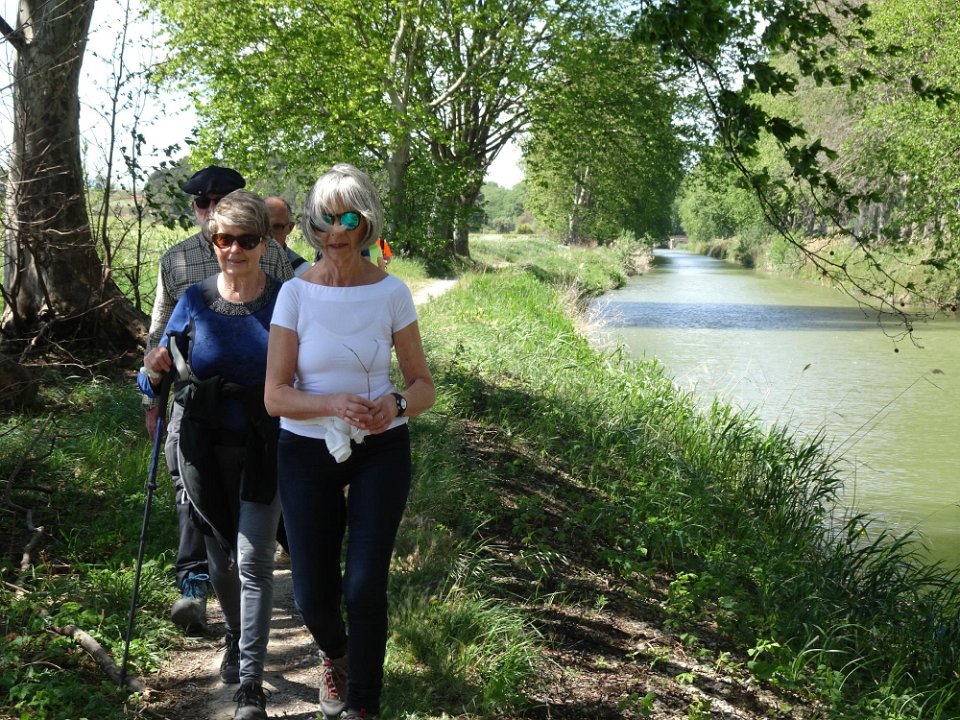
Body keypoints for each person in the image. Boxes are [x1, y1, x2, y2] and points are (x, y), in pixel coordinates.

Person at [264, 163, 435, 720]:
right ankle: (336, 655)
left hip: (379, 451)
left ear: (366, 222)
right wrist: (332, 404)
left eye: (348, 219)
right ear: (310, 225)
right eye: (323, 220)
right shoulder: (294, 295)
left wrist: (397, 404)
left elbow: (423, 385)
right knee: (313, 595)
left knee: (363, 586)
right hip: (306, 450)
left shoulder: (392, 293)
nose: (335, 232)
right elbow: (275, 396)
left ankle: (363, 703)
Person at [140, 189, 283, 720]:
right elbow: (155, 374)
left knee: (254, 560)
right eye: (223, 239)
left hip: (266, 446)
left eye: (246, 240)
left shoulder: (286, 299)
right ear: (212, 242)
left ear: (264, 244)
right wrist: (152, 369)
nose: (234, 249)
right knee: (221, 563)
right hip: (204, 449)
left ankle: (251, 683)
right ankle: (235, 636)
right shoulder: (195, 299)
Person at [266, 195, 311, 277]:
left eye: (276, 227)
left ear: (290, 228)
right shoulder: (244, 262)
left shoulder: (303, 273)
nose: (267, 234)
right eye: (262, 226)